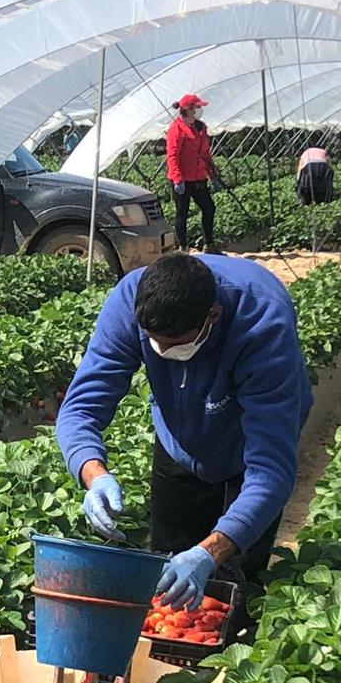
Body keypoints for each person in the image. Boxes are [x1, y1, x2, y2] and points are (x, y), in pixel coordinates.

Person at [57, 252, 312, 613]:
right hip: (180, 438)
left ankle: (233, 645)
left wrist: (211, 552)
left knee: (237, 579)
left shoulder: (262, 323)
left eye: (177, 343)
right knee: (167, 567)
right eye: (154, 341)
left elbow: (270, 470)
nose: (163, 351)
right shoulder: (131, 302)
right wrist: (93, 473)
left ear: (212, 316)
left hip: (246, 442)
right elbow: (81, 407)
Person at [166, 94, 223, 254]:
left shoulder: (201, 128)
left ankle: (209, 243)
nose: (200, 110)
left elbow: (205, 154)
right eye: (197, 107)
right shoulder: (176, 129)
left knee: (209, 207)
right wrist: (177, 179)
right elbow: (172, 155)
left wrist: (213, 174)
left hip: (198, 177)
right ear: (188, 109)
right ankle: (183, 247)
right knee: (182, 212)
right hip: (182, 179)